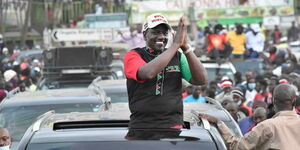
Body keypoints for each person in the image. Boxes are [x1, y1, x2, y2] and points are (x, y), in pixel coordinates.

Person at [124, 14, 207, 130]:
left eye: (164, 33)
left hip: (173, 125)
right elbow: (148, 73)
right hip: (141, 127)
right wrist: (175, 45)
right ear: (144, 35)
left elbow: (201, 79)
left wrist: (185, 47)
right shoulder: (133, 55)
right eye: (156, 32)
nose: (161, 37)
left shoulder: (177, 56)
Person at [200, 84, 300, 149]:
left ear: (273, 101)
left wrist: (219, 123)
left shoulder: (267, 126)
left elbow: (238, 146)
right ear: (294, 100)